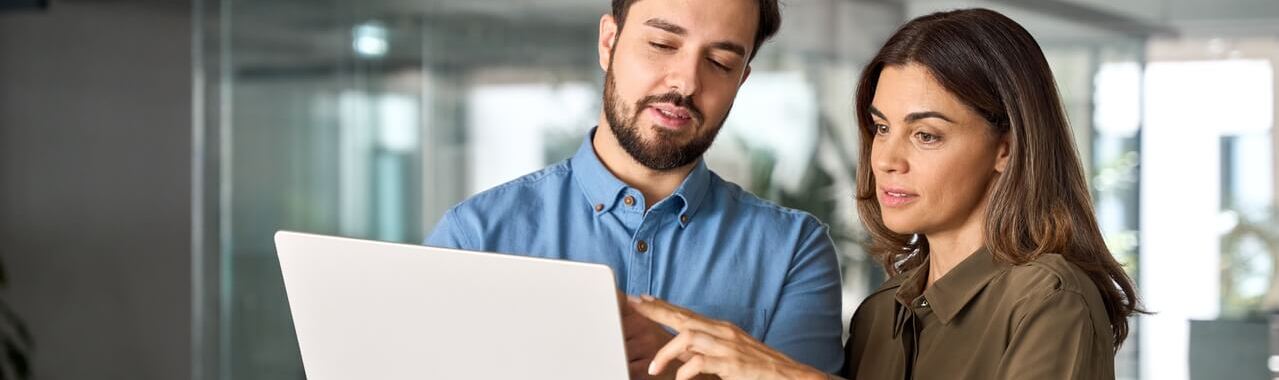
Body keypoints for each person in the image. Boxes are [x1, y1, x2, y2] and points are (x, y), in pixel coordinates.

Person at [628, 8, 1142, 380]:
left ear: (1005, 148)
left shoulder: (1050, 300)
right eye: (880, 128)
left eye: (926, 135)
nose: (887, 160)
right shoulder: (879, 317)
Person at [424, 0, 844, 377]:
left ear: (742, 79)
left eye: (719, 62)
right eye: (662, 44)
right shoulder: (474, 236)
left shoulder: (793, 251)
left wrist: (682, 372)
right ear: (609, 42)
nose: (685, 83)